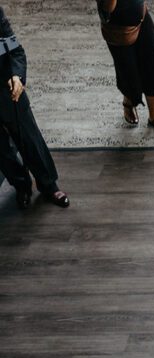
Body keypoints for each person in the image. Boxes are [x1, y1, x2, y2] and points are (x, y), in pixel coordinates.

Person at [0, 5, 68, 209]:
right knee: (2, 151)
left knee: (30, 138)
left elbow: (15, 50)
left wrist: (17, 76)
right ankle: (21, 185)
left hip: (7, 90)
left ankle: (48, 185)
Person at [97, 0, 154, 133]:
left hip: (141, 15)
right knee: (129, 74)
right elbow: (108, 8)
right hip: (119, 31)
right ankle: (128, 101)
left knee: (152, 65)